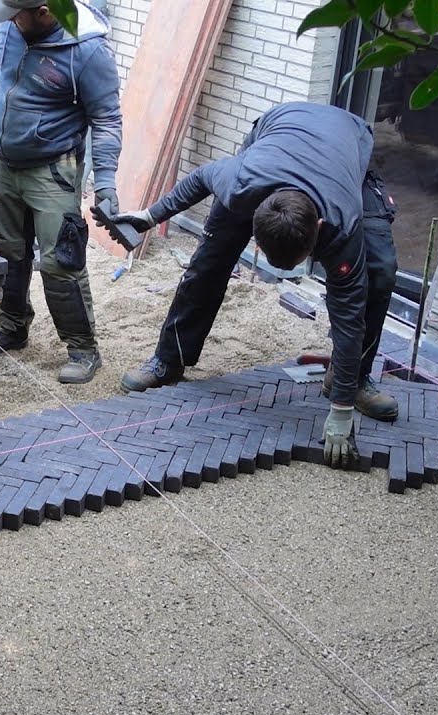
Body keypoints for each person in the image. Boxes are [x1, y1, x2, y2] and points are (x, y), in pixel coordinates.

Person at [101, 102, 399, 468]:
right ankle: (169, 360)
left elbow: (349, 314)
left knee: (380, 272)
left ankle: (352, 380)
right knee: (208, 262)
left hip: (346, 146)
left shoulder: (342, 222)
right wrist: (147, 217)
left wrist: (340, 410)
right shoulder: (241, 184)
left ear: (320, 232)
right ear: (255, 228)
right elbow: (199, 179)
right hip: (277, 136)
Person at [0, 0, 123, 384]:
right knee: (8, 251)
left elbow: (108, 119)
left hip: (53, 170)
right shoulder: (13, 27)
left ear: (45, 11)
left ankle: (82, 349)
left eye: (16, 15)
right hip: (8, 164)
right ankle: (12, 329)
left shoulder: (88, 50)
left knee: (60, 260)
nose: (9, 23)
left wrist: (107, 181)